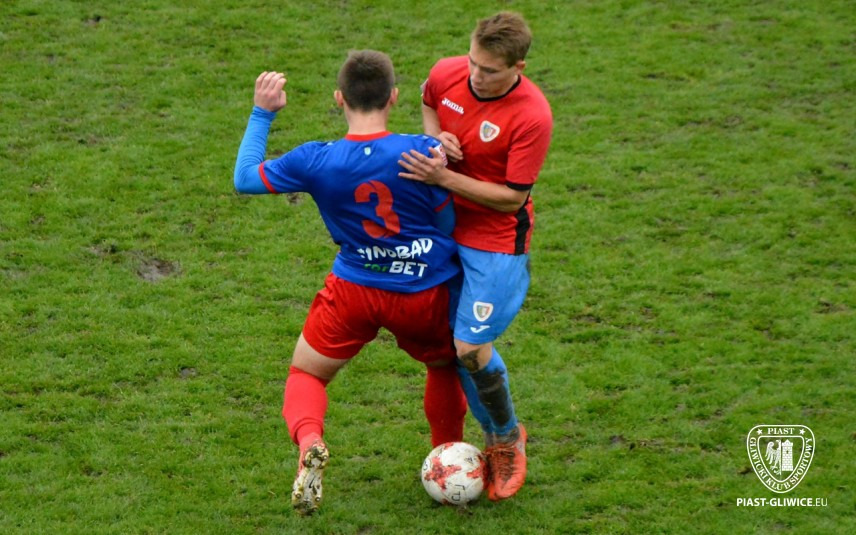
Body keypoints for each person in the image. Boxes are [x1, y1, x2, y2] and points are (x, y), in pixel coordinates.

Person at [233, 50, 467, 516]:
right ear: (393, 97)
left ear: (339, 98)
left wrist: (262, 113)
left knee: (307, 374)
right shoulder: (424, 153)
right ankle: (447, 460)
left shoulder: (315, 159)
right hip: (423, 293)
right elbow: (447, 224)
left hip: (353, 291)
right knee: (443, 366)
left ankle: (310, 442)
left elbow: (245, 179)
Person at [398, 11, 553, 501]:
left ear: (518, 67)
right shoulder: (448, 72)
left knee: (469, 346)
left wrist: (442, 176)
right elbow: (429, 100)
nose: (475, 75)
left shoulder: (532, 115)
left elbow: (512, 198)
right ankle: (489, 437)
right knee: (450, 347)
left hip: (496, 240)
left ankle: (506, 438)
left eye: (489, 70)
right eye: (472, 62)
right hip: (442, 227)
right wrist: (434, 137)